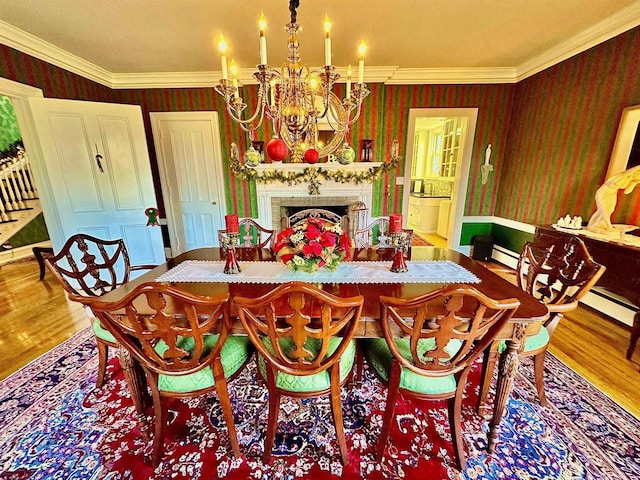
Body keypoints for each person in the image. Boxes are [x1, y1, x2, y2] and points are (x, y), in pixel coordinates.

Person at [587, 164, 640, 231]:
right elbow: (630, 171)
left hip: (612, 194)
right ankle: (608, 226)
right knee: (604, 210)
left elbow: (626, 192)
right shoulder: (624, 176)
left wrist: (634, 183)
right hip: (603, 192)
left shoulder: (631, 181)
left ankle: (593, 225)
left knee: (610, 210)